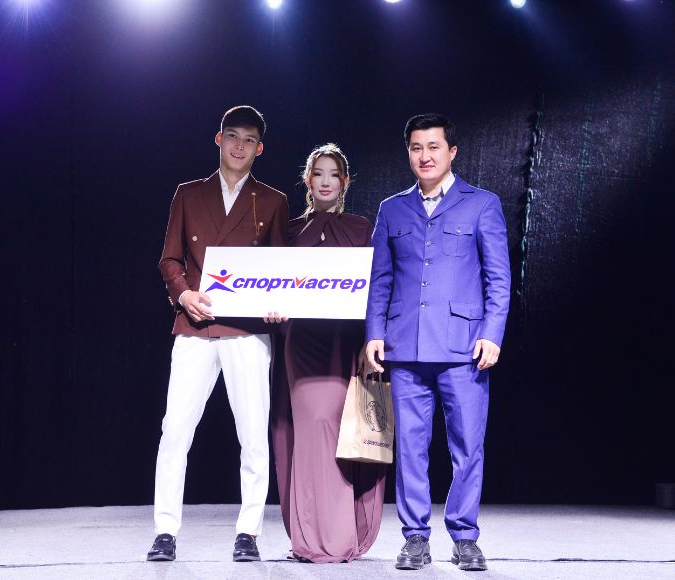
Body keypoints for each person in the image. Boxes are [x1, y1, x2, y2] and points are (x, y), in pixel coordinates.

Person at [365, 114, 510, 572]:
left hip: (464, 349)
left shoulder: (481, 204)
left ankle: (465, 536)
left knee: (467, 447)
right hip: (406, 347)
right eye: (416, 147)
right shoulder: (392, 209)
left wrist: (491, 333)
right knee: (410, 447)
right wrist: (374, 333)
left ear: (452, 152)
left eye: (433, 146)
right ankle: (414, 537)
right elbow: (380, 280)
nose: (424, 156)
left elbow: (498, 278)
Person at [148, 105, 289, 563]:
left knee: (253, 434)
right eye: (232, 136)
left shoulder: (273, 201)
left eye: (249, 140)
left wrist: (277, 303)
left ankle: (249, 532)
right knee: (175, 430)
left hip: (247, 331)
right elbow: (170, 259)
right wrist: (183, 294)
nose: (239, 146)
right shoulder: (188, 194)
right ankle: (165, 531)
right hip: (195, 326)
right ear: (218, 138)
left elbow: (280, 269)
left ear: (259, 148)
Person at [271, 144, 386, 563]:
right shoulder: (289, 232)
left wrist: (371, 341)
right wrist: (273, 307)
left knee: (341, 430)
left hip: (346, 341)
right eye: (318, 173)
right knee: (312, 427)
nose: (325, 181)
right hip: (302, 342)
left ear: (345, 182)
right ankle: (311, 537)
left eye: (333, 174)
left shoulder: (360, 229)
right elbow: (271, 283)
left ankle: (341, 533)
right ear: (307, 180)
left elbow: (377, 288)